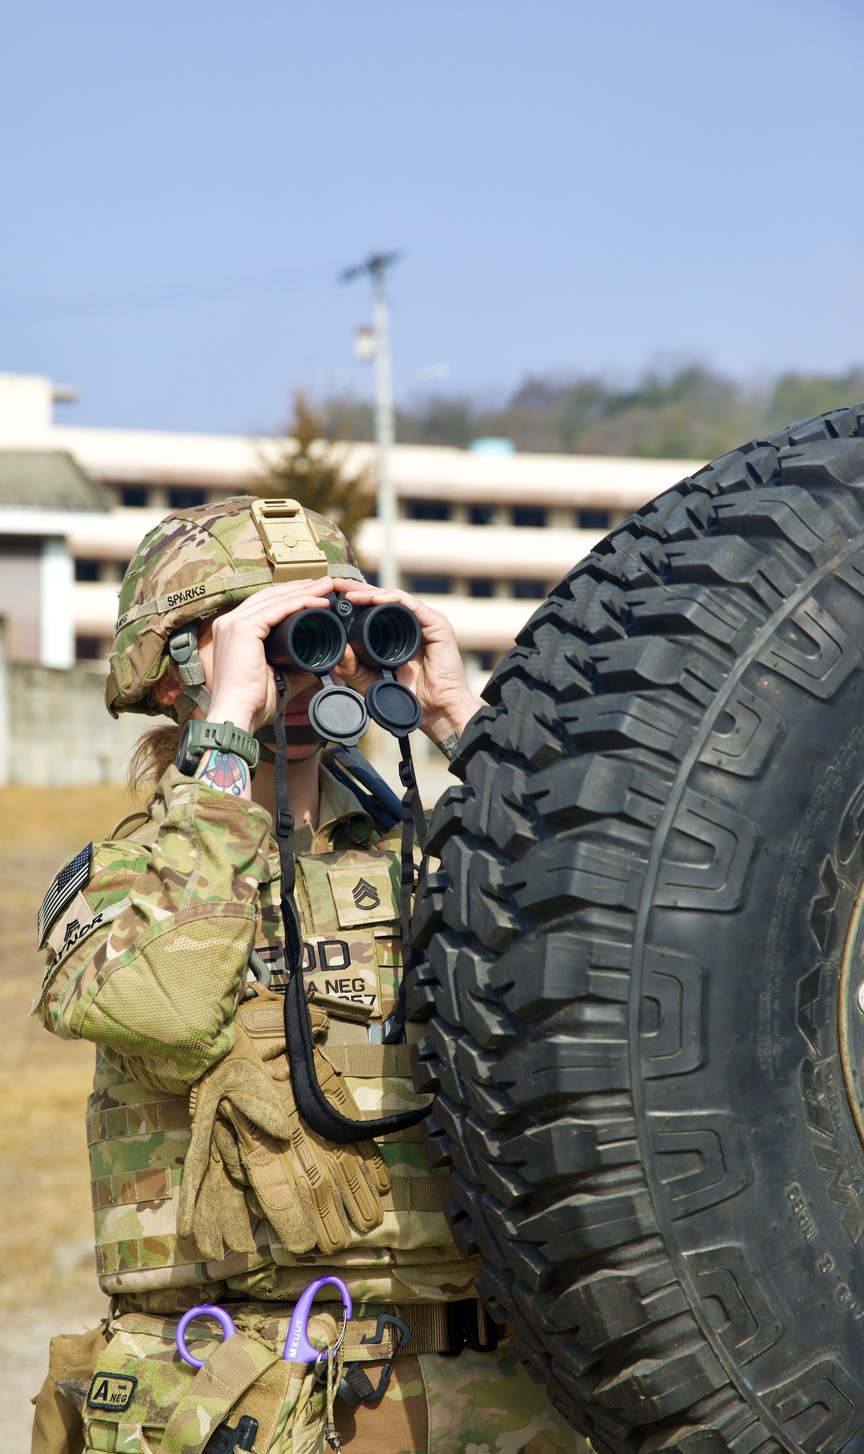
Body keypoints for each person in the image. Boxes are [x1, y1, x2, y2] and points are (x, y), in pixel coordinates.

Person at [31, 496, 584, 1454]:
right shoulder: (129, 881)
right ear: (170, 678)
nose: (300, 666)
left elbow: (629, 932)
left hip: (500, 1397)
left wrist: (465, 720)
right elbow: (159, 1004)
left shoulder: (447, 861)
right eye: (264, 638)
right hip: (249, 1387)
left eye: (320, 633)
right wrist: (229, 731)